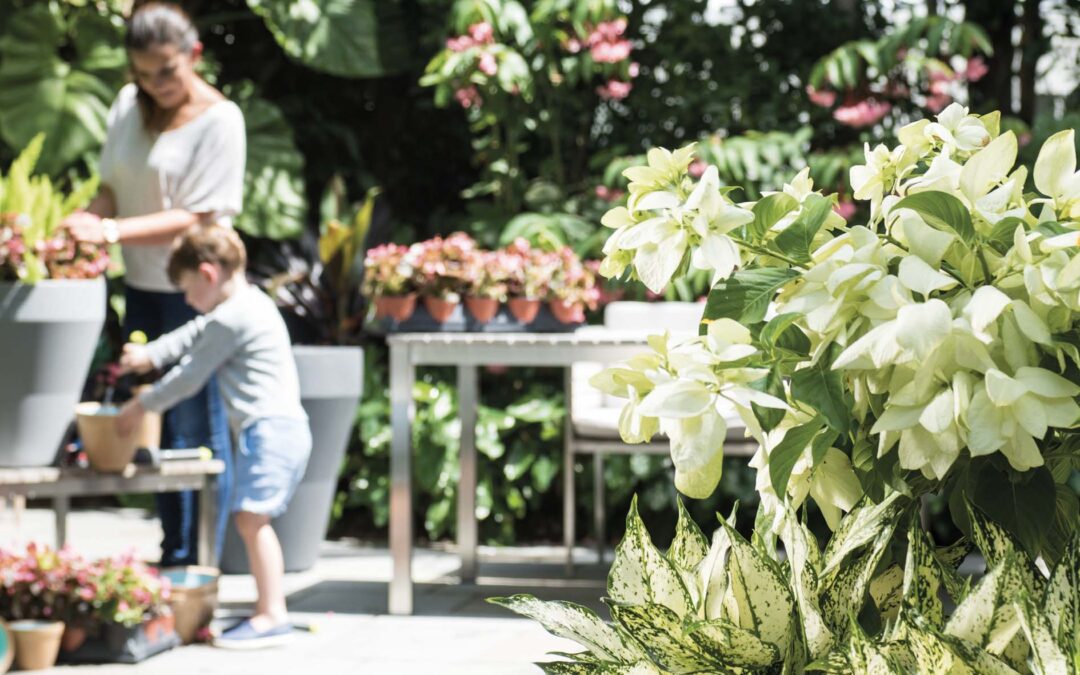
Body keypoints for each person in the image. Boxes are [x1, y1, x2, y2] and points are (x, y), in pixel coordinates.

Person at [63, 1, 245, 566]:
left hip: (197, 295)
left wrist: (111, 231)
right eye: (142, 73)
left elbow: (197, 216)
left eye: (166, 70)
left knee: (194, 421)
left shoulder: (221, 120)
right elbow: (112, 187)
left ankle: (200, 563)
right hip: (142, 287)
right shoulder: (127, 105)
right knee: (150, 416)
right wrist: (83, 223)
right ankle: (173, 550)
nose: (155, 84)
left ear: (193, 54)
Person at [117, 225, 311, 648]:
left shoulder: (234, 316)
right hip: (274, 429)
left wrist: (139, 408)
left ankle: (272, 613)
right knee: (253, 520)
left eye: (187, 291)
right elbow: (193, 335)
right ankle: (268, 606)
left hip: (272, 430)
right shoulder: (245, 304)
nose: (186, 301)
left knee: (252, 520)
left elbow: (190, 376)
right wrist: (149, 355)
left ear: (208, 274)